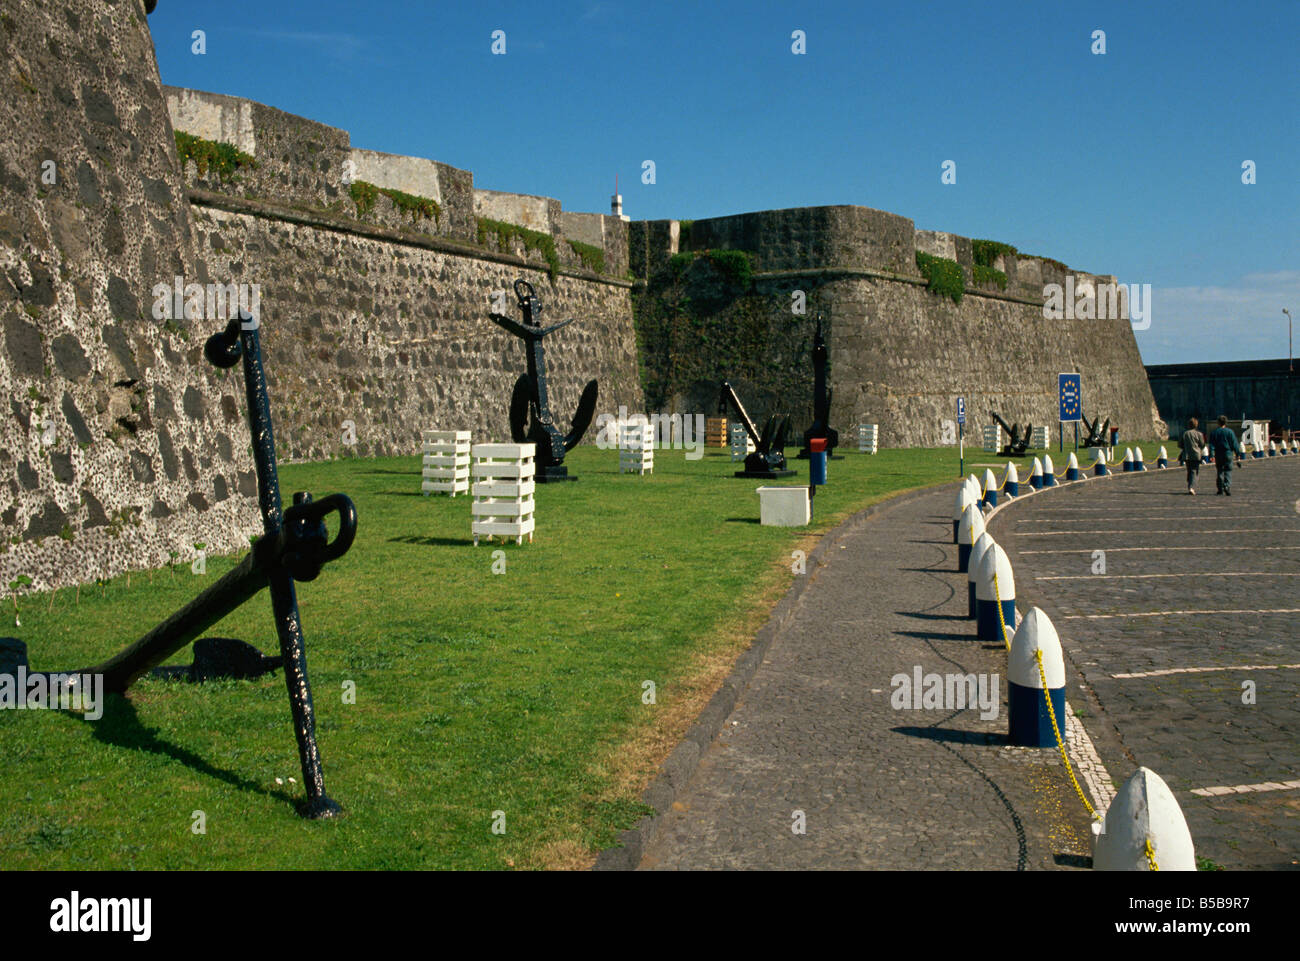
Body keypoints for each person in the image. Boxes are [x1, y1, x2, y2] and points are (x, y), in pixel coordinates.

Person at [1209, 415, 1245, 495]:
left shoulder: (1214, 433)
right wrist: (1237, 454)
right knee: (1228, 471)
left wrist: (1211, 455)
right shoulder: (1230, 432)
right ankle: (1227, 486)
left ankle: (1220, 488)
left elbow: (1211, 445)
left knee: (1220, 471)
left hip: (1218, 454)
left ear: (1218, 422)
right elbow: (1234, 443)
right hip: (1228, 453)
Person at [1179, 417, 1205, 494]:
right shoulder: (1199, 434)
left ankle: (1190, 484)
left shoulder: (1185, 433)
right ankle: (1191, 487)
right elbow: (1202, 444)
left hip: (1187, 455)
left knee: (1189, 470)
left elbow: (1180, 444)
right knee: (1194, 471)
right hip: (1196, 455)